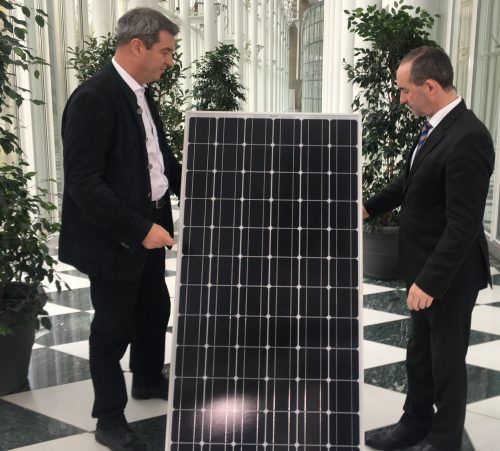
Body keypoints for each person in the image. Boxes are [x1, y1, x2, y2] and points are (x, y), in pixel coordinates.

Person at [59, 8, 181, 451]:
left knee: (154, 309)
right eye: (165, 51)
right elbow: (83, 182)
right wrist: (139, 228)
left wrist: (205, 192)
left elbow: (158, 162)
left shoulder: (142, 93)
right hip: (115, 237)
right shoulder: (94, 98)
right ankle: (109, 418)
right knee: (113, 329)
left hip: (149, 226)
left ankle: (146, 378)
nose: (170, 60)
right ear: (137, 46)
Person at [363, 46, 494, 451]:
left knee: (446, 362)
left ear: (431, 86)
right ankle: (414, 424)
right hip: (423, 267)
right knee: (420, 354)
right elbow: (410, 182)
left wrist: (431, 282)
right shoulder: (435, 127)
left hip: (449, 276)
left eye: (405, 90)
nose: (401, 98)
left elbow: (463, 225)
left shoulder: (469, 137)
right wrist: (367, 207)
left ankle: (444, 440)